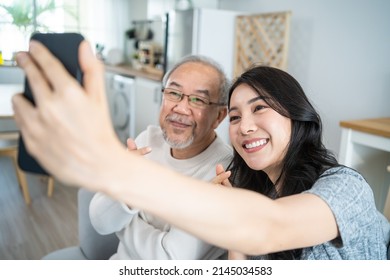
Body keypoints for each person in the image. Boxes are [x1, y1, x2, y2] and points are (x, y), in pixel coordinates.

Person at [13, 40, 390, 259]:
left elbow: (266, 228)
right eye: (238, 117)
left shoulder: (346, 188)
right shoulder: (248, 184)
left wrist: (114, 170)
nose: (245, 127)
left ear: (298, 116)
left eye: (260, 109)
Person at [89, 54, 233, 260]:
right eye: (174, 93)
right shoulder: (148, 139)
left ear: (219, 116)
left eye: (198, 100)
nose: (181, 108)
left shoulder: (223, 172)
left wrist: (123, 224)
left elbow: (168, 261)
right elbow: (100, 221)